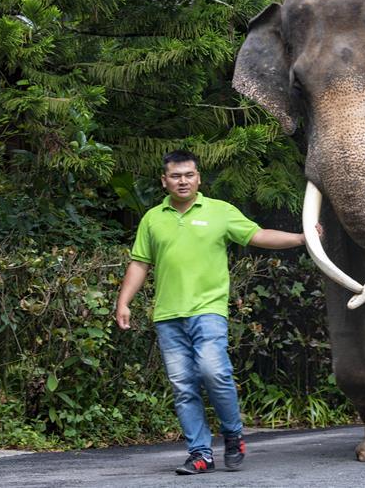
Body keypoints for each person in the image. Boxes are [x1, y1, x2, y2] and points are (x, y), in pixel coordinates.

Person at [115, 150, 316, 475]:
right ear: (164, 181)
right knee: (183, 387)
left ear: (198, 178)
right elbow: (139, 263)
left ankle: (233, 434)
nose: (183, 181)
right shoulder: (153, 218)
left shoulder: (220, 212)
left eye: (189, 175)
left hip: (209, 311)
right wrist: (123, 301)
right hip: (168, 316)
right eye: (176, 176)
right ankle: (199, 454)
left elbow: (257, 235)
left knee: (213, 372)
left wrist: (301, 238)